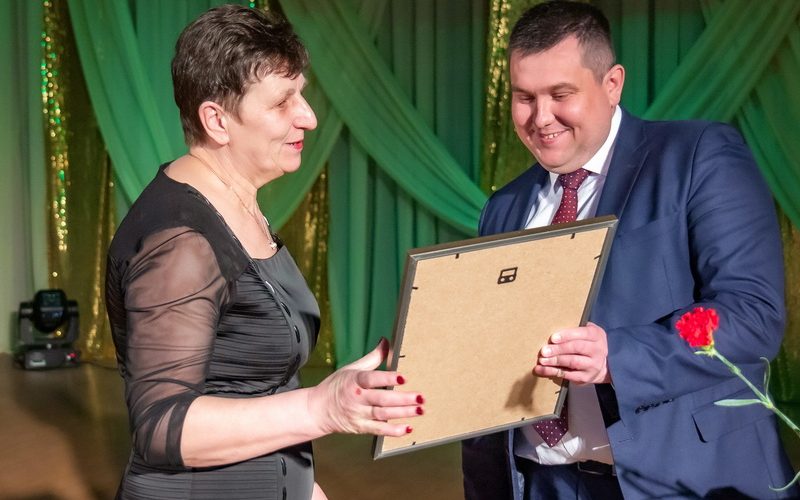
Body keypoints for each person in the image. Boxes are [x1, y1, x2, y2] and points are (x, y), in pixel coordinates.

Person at [461, 1, 798, 499]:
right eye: (524, 97)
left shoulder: (698, 155)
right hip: (541, 481)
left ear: (612, 84)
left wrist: (616, 357)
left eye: (560, 94)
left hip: (678, 481)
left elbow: (753, 314)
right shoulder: (503, 207)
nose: (540, 117)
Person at [105, 5, 423, 499]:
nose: (308, 117)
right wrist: (322, 408)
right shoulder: (181, 244)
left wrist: (305, 488)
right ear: (217, 120)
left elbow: (246, 382)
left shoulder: (230, 202)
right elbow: (162, 425)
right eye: (281, 103)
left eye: (301, 94)